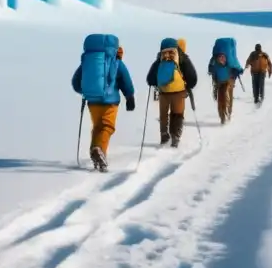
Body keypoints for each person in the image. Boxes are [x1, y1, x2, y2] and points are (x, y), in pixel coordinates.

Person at [71, 33, 135, 172]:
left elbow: (75, 82)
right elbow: (126, 80)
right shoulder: (117, 61)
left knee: (97, 127)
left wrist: (86, 91)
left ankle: (97, 153)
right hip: (110, 102)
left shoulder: (88, 60)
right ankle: (99, 150)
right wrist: (130, 97)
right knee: (107, 127)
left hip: (92, 101)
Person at [145, 37, 197, 148]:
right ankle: (175, 136)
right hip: (179, 91)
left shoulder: (160, 58)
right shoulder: (182, 58)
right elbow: (192, 76)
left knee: (164, 115)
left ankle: (164, 135)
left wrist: (155, 84)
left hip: (163, 92)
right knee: (177, 113)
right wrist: (188, 86)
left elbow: (150, 78)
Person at [209, 38, 243, 125]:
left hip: (229, 80)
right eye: (220, 58)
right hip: (220, 82)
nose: (222, 59)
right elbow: (211, 69)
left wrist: (238, 70)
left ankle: (227, 114)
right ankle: (223, 117)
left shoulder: (228, 63)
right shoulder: (215, 63)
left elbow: (236, 65)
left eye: (223, 58)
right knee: (221, 99)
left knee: (226, 95)